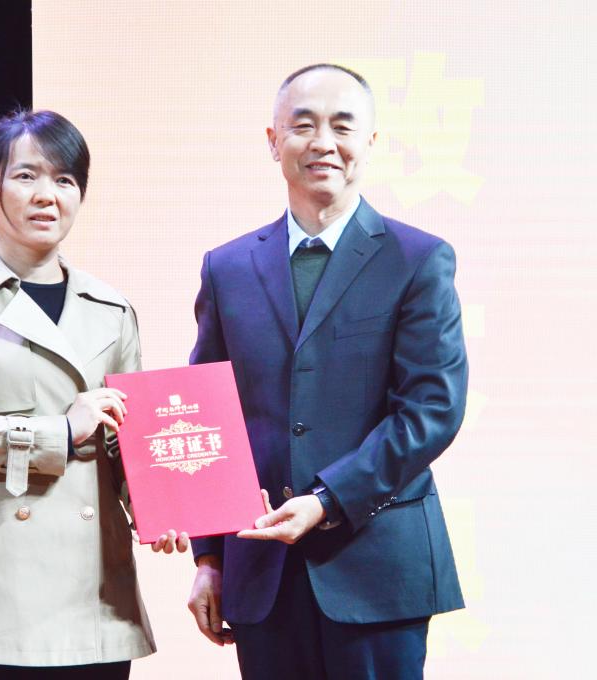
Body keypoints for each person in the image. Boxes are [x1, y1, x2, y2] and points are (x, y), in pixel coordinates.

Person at [186, 64, 469, 680]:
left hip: (376, 568)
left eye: (342, 126)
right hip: (260, 567)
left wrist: (327, 500)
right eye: (303, 125)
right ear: (273, 141)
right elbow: (207, 417)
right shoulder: (227, 268)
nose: (323, 143)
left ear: (370, 142)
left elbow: (432, 410)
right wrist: (208, 558)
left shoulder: (418, 259)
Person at [0, 109, 187, 680]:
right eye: (25, 176)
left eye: (64, 180)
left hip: (92, 594)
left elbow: (125, 441)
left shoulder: (112, 310)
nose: (46, 195)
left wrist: (165, 503)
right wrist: (60, 431)